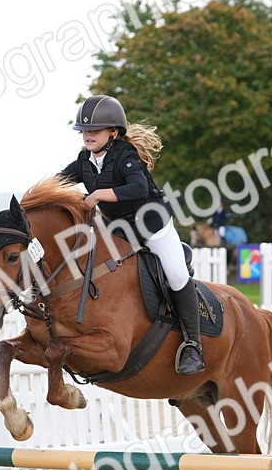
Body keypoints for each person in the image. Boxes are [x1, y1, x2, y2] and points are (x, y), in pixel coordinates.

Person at [56, 94, 204, 375]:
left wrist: (98, 194)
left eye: (95, 130)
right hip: (120, 231)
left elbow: (137, 188)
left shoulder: (125, 155)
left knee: (175, 274)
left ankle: (193, 346)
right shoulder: (83, 161)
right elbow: (58, 181)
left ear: (113, 132)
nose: (88, 136)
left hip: (153, 227)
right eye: (84, 131)